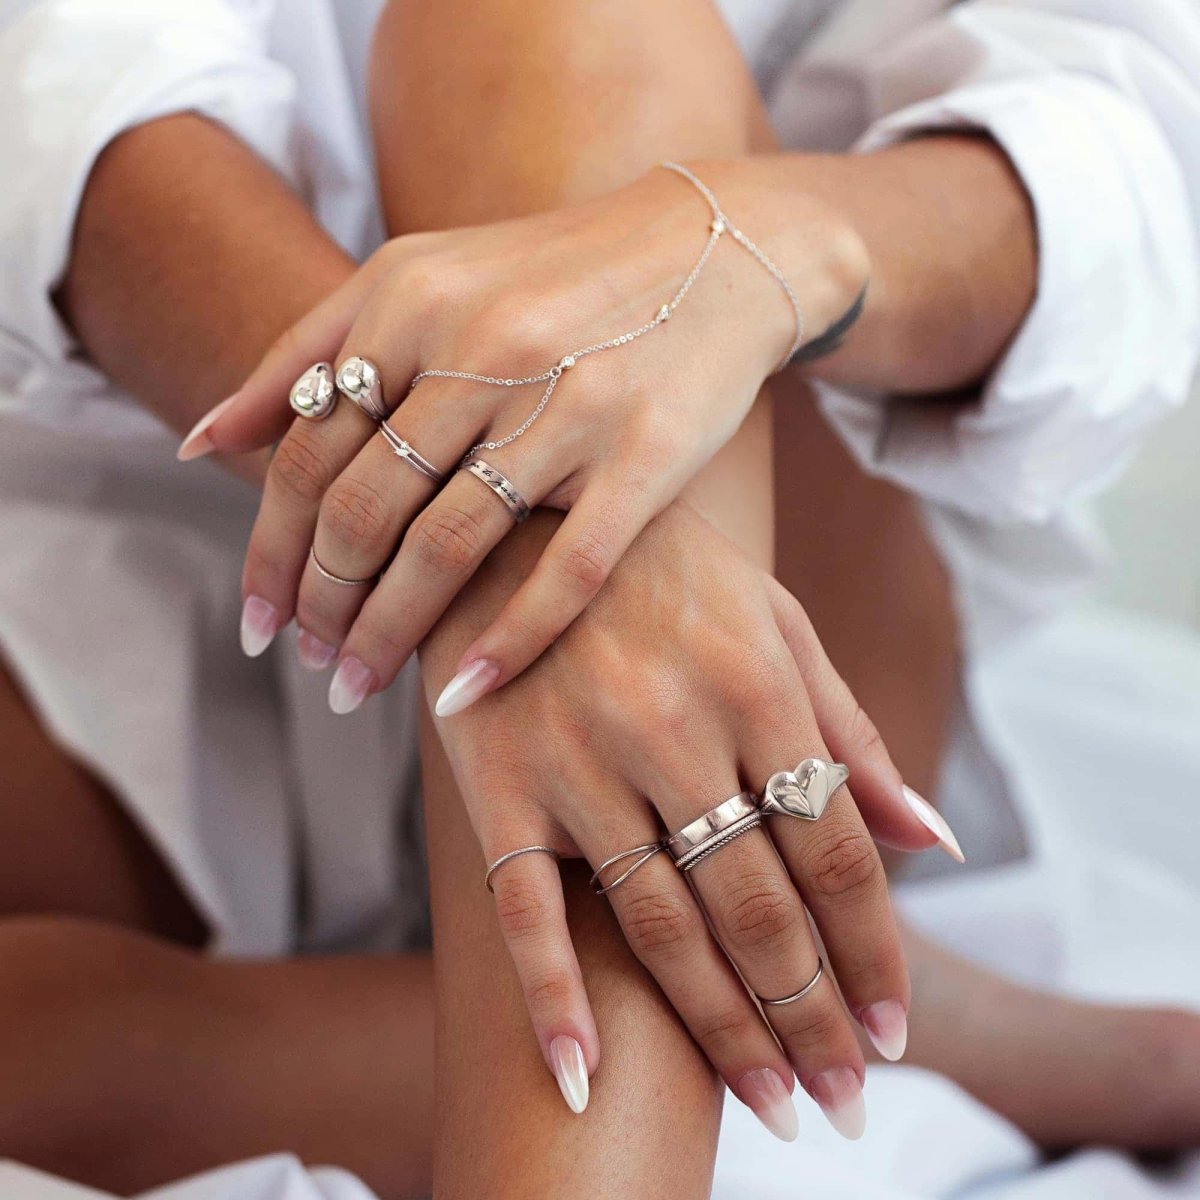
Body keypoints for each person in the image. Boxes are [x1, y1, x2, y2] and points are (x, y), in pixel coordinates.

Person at [0, 1, 1197, 1196]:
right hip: (198, 545)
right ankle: (910, 1011)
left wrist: (771, 241)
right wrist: (497, 527)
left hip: (784, 536)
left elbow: (1132, 142)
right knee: (48, 1045)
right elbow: (69, 113)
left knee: (547, 24)